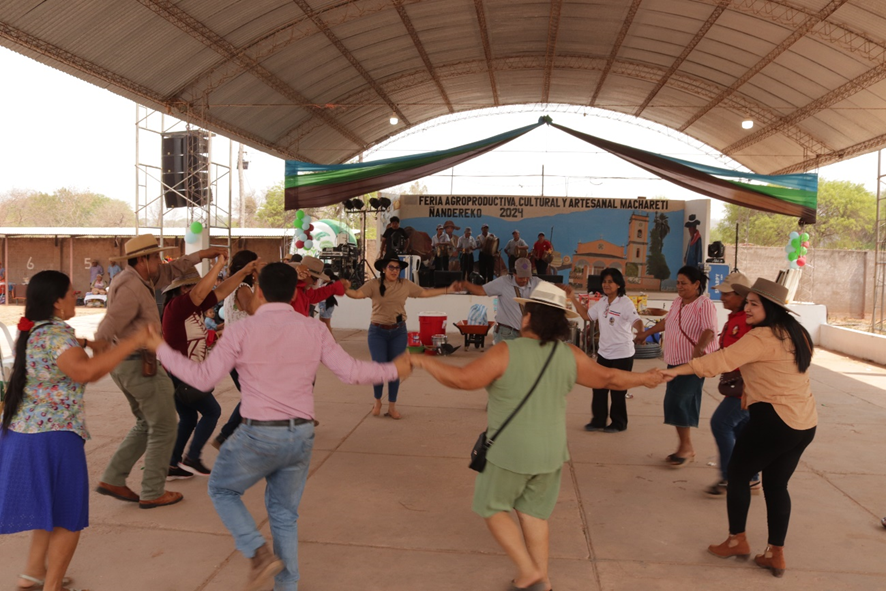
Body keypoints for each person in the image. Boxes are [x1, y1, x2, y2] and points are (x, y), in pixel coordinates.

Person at [145, 262, 412, 591]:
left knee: (222, 489)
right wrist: (393, 370)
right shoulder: (313, 329)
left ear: (259, 292)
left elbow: (202, 377)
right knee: (284, 514)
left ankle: (257, 553)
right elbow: (352, 372)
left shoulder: (242, 330)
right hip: (300, 434)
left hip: (258, 433)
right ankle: (287, 587)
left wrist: (160, 348)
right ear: (294, 294)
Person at [409, 282, 664, 591]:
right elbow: (609, 377)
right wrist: (645, 379)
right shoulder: (569, 354)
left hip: (510, 452)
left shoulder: (507, 350)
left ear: (529, 318)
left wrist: (421, 360)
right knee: (533, 514)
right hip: (551, 454)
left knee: (492, 506)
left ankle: (529, 571)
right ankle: (541, 579)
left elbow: (463, 380)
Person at [0, 270, 146, 591]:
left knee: (47, 508)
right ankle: (51, 587)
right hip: (53, 437)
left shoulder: (36, 330)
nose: (76, 293)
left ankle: (33, 574)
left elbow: (73, 354)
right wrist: (134, 342)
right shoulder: (56, 336)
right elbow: (84, 372)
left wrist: (87, 342)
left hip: (23, 434)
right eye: (70, 292)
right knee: (67, 514)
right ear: (56, 302)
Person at [661, 278, 817, 578]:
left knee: (737, 474)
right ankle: (776, 553)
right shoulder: (797, 332)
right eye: (747, 302)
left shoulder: (761, 337)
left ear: (770, 308)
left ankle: (737, 541)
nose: (747, 307)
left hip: (775, 420)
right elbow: (780, 370)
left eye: (754, 303)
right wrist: (749, 393)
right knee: (776, 485)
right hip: (804, 423)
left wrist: (673, 372)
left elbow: (719, 361)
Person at [91, 234, 227, 509]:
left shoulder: (140, 279)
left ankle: (114, 477)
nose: (160, 263)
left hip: (132, 364)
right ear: (142, 260)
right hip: (138, 363)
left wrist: (201, 255)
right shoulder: (130, 286)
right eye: (155, 257)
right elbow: (109, 326)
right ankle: (152, 491)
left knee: (147, 423)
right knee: (164, 425)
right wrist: (99, 358)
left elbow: (171, 269)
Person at [161, 255, 259, 479]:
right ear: (184, 288)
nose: (200, 289)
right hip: (181, 373)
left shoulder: (191, 307)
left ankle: (171, 464)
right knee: (212, 411)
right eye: (194, 285)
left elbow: (222, 291)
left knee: (188, 418)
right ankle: (192, 457)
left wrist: (243, 272)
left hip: (180, 372)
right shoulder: (178, 305)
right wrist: (218, 265)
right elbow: (201, 293)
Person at [344, 254, 455, 420]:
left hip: (398, 332)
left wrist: (447, 290)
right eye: (391, 267)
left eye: (397, 268)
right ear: (383, 268)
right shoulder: (374, 284)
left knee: (395, 370)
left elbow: (424, 293)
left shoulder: (405, 284)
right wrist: (343, 289)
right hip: (377, 332)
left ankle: (392, 406)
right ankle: (377, 402)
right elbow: (358, 294)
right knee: (379, 369)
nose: (395, 271)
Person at [635, 265, 718, 467]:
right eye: (678, 283)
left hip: (692, 364)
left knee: (682, 401)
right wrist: (645, 333)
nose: (679, 287)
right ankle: (685, 446)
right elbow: (667, 322)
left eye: (684, 283)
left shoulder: (704, 304)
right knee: (674, 402)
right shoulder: (678, 302)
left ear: (697, 284)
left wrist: (699, 348)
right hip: (673, 361)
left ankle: (686, 448)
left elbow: (710, 330)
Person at [704, 272, 761, 497]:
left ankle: (731, 477)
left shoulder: (749, 322)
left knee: (721, 424)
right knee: (740, 430)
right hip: (737, 385)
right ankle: (751, 478)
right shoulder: (735, 319)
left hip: (746, 386)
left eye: (727, 294)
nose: (723, 298)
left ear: (740, 296)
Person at [567, 268, 643, 433]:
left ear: (618, 284)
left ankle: (619, 423)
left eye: (610, 281)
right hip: (604, 353)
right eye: (604, 281)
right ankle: (598, 421)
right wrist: (572, 297)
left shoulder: (625, 303)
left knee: (618, 390)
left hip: (622, 354)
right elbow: (587, 317)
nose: (606, 285)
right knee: (599, 387)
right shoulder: (602, 302)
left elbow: (636, 320)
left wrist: (641, 332)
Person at [213, 250, 261, 449]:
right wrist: (259, 282)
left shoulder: (233, 287)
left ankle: (239, 435)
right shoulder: (242, 287)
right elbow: (252, 309)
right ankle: (226, 435)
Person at [460, 258, 540, 344]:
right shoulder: (503, 282)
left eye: (527, 277)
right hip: (506, 334)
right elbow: (481, 291)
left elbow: (553, 289)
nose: (524, 280)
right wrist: (466, 284)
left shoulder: (536, 282)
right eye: (521, 277)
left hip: (526, 334)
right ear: (514, 273)